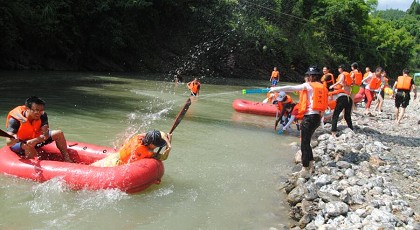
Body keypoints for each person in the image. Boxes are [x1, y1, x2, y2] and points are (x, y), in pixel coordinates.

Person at [270, 65, 328, 178]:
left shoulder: (308, 85)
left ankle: (305, 168)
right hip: (317, 118)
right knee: (307, 142)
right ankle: (311, 166)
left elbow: (292, 88)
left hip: (309, 118)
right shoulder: (322, 87)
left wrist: (275, 89)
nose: (308, 77)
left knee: (304, 144)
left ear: (311, 76)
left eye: (309, 75)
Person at [5, 96, 73, 162]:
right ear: (27, 109)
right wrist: (13, 140)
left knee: (59, 133)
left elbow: (45, 135)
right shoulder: (14, 120)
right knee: (27, 145)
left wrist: (36, 140)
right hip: (20, 144)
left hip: (34, 139)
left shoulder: (42, 115)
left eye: (41, 110)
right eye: (36, 110)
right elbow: (8, 143)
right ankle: (33, 165)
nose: (39, 113)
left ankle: (67, 159)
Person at [91, 130, 172, 167]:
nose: (157, 146)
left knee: (91, 167)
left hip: (114, 157)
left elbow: (150, 133)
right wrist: (169, 144)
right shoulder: (146, 152)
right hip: (115, 165)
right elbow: (163, 157)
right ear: (151, 144)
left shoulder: (138, 137)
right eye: (157, 145)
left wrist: (165, 138)